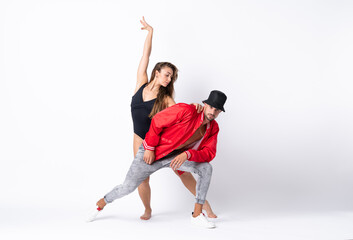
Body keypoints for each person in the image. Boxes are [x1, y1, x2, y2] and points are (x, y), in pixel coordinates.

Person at [87, 90, 227, 228]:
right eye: (211, 107)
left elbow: (209, 153)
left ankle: (197, 215)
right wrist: (150, 148)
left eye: (217, 110)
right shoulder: (188, 110)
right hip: (154, 152)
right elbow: (157, 120)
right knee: (127, 187)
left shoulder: (213, 128)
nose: (212, 112)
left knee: (206, 168)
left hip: (175, 157)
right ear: (204, 104)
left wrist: (188, 154)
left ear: (220, 112)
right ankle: (101, 204)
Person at [131, 17, 216, 220]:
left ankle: (208, 208)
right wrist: (150, 32)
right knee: (142, 178)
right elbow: (145, 55)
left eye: (171, 77)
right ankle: (147, 210)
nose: (169, 79)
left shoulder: (166, 98)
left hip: (161, 142)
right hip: (138, 139)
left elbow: (182, 111)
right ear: (157, 72)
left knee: (183, 174)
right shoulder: (141, 83)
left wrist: (197, 106)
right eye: (167, 75)